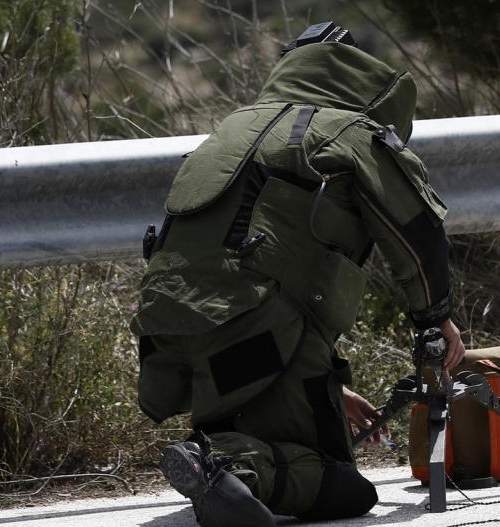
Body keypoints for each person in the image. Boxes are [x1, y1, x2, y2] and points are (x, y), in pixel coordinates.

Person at [130, 21, 464, 527]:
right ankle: (228, 464)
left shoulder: (235, 128)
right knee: (344, 488)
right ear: (361, 77)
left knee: (267, 425)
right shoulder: (351, 135)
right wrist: (435, 319)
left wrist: (330, 385)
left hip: (171, 340)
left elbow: (267, 261)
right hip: (251, 335)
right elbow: (415, 233)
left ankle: (222, 456)